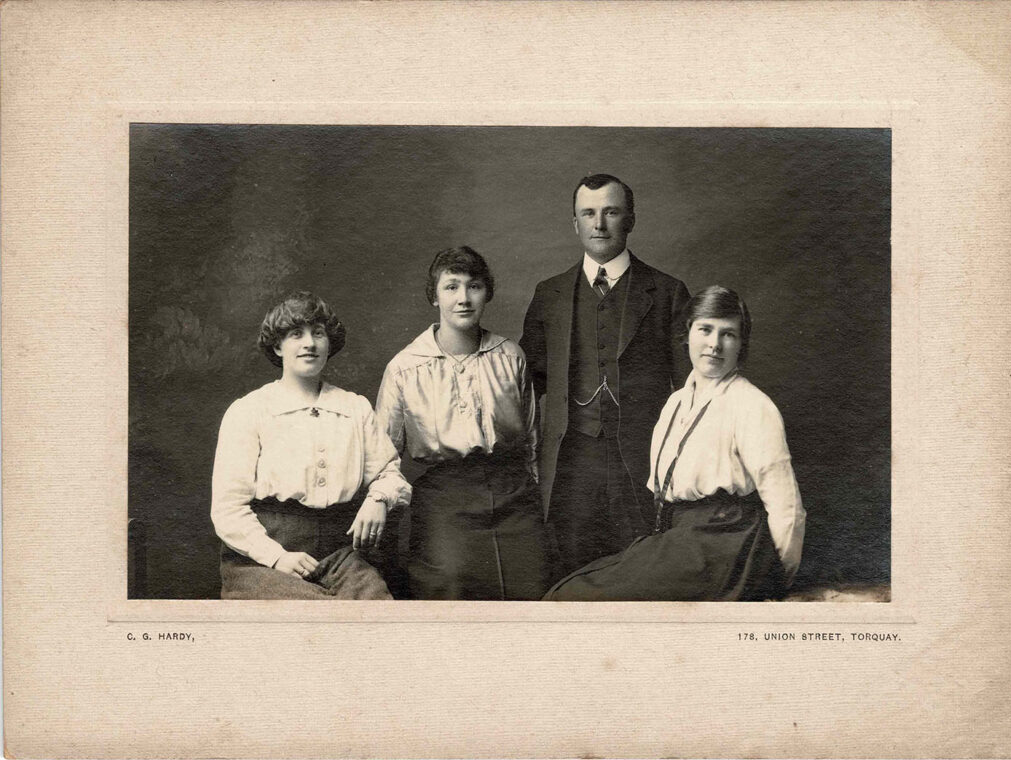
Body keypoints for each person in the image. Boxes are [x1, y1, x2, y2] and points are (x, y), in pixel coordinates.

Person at [545, 286, 805, 601]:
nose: (714, 344)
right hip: (680, 537)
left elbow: (786, 506)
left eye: (728, 335)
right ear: (688, 334)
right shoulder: (676, 403)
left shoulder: (752, 405)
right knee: (575, 585)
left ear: (741, 345)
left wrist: (776, 580)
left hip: (725, 543)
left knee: (581, 597)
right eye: (705, 329)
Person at [520, 173, 690, 575]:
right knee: (573, 568)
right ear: (575, 223)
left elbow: (690, 390)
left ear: (629, 220)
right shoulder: (550, 294)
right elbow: (526, 387)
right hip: (571, 464)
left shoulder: (667, 292)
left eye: (611, 212)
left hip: (641, 460)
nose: (599, 224)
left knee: (642, 568)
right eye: (589, 213)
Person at [376, 246, 554, 600]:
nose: (463, 299)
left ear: (487, 292)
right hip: (445, 497)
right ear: (434, 296)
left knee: (535, 585)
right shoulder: (405, 368)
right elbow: (383, 457)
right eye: (451, 287)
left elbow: (532, 443)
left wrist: (535, 503)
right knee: (451, 583)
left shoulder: (510, 357)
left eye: (474, 286)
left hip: (512, 494)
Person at [211, 292, 411, 599]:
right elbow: (227, 508)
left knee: (375, 610)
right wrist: (276, 556)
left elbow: (389, 472)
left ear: (329, 343)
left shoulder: (354, 408)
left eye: (318, 333)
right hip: (262, 557)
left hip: (341, 556)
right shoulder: (250, 410)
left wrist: (379, 500)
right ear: (278, 346)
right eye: (296, 334)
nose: (310, 343)